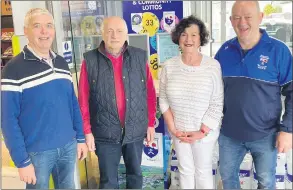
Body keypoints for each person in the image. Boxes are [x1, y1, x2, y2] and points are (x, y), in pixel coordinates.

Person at [1, 8, 88, 189]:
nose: (44, 31)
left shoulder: (61, 63)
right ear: (26, 31)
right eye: (37, 26)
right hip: (37, 153)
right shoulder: (12, 69)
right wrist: (22, 162)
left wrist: (80, 138)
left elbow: (72, 104)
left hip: (68, 146)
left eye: (48, 26)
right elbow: (8, 120)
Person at [215, 1, 292, 189]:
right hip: (229, 134)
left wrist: (288, 129)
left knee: (266, 182)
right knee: (228, 179)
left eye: (248, 17)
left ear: (260, 17)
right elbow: (211, 91)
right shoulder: (223, 52)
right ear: (230, 20)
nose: (242, 22)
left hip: (265, 134)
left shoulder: (278, 51)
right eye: (237, 17)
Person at [78, 16, 157, 189]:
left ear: (126, 34)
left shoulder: (139, 57)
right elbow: (83, 99)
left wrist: (150, 123)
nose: (114, 35)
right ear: (102, 33)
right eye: (110, 31)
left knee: (135, 175)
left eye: (119, 31)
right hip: (104, 132)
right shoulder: (90, 61)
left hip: (135, 128)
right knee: (108, 181)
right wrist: (87, 131)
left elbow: (150, 93)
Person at [159, 15, 224, 189]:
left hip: (204, 132)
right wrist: (173, 129)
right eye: (184, 34)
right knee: (185, 170)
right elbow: (163, 98)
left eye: (194, 35)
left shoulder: (212, 66)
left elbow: (217, 102)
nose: (189, 39)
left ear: (201, 38)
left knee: (203, 171)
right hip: (179, 130)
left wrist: (202, 132)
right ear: (178, 37)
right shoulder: (169, 66)